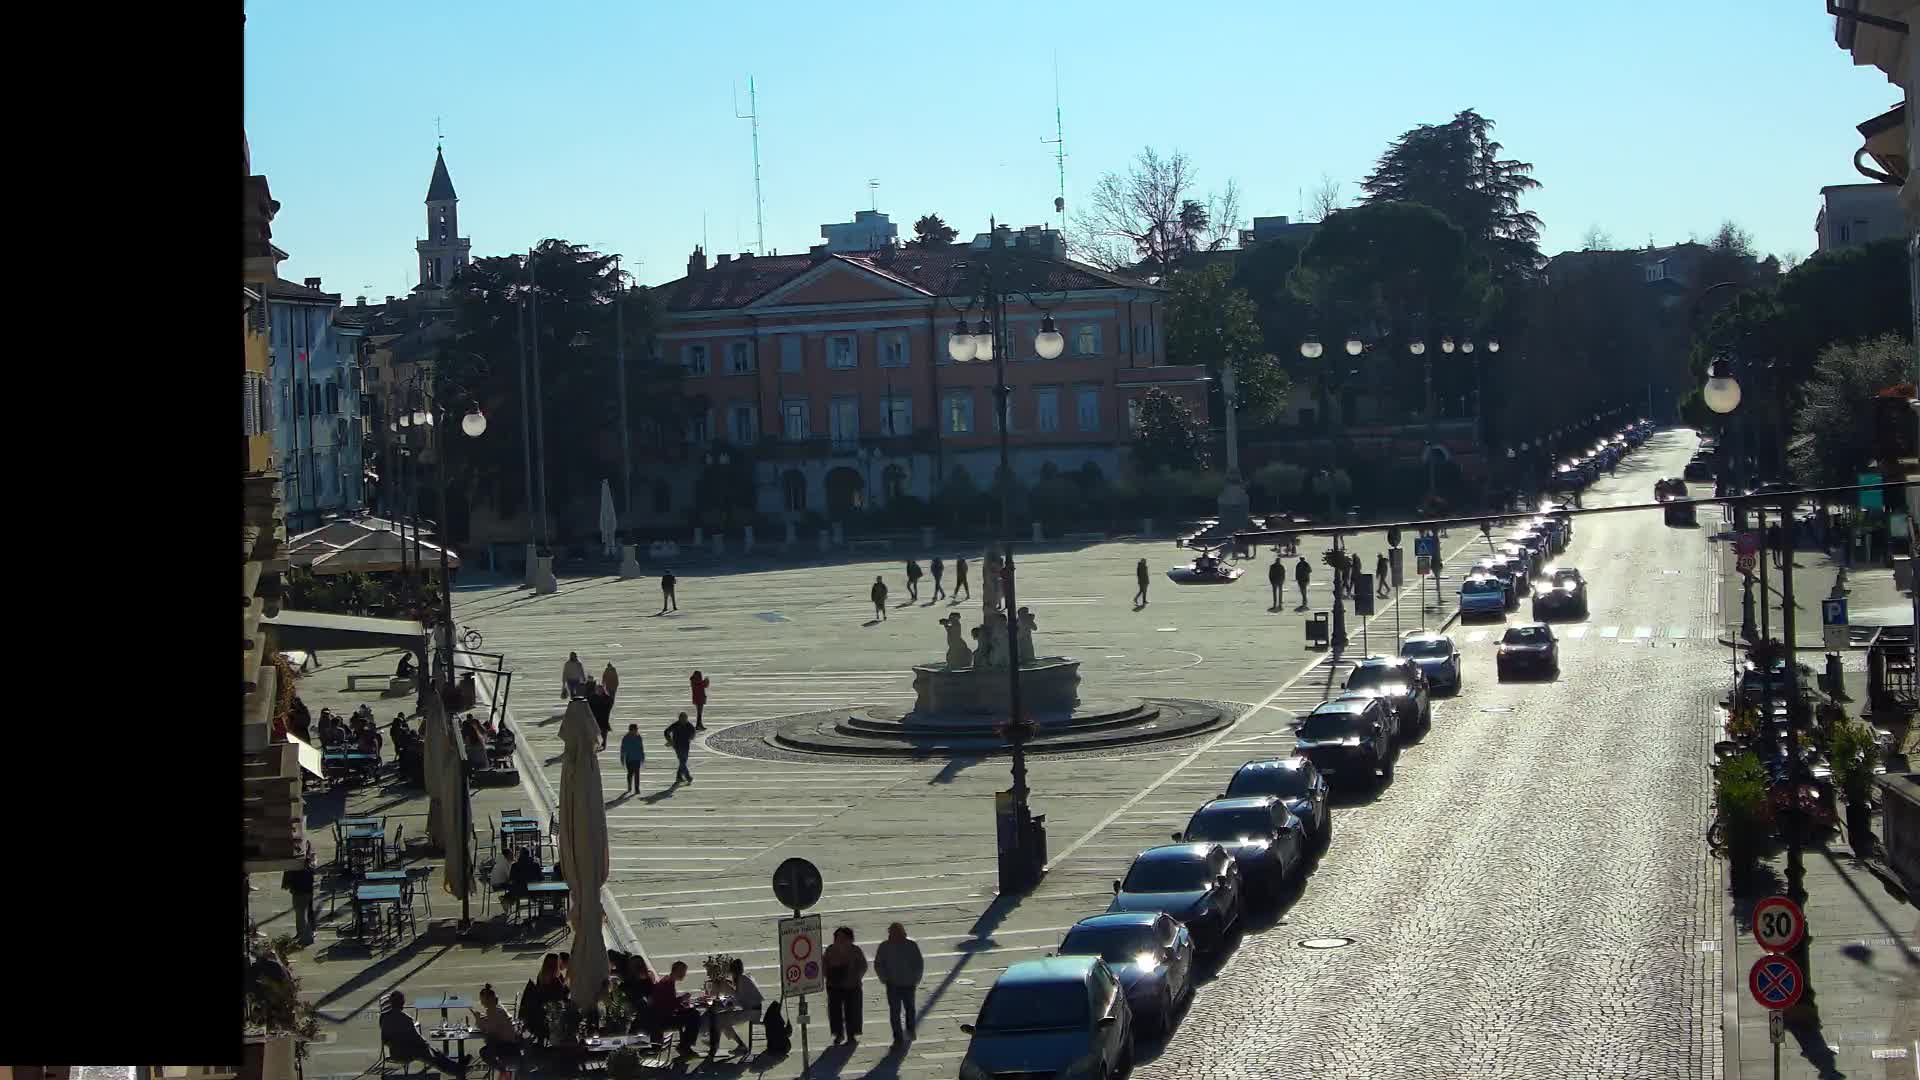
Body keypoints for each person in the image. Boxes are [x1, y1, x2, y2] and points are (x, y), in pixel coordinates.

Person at [380, 991, 469, 1076]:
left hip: (395, 1052)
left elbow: (385, 1039)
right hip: (408, 1053)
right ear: (402, 1003)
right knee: (432, 1056)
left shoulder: (383, 1018)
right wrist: (426, 1045)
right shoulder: (406, 1019)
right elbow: (417, 1038)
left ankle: (456, 1066)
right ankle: (456, 1070)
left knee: (434, 1052)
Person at [874, 922, 924, 1046]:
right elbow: (878, 964)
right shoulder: (884, 947)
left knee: (910, 1009)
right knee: (895, 1012)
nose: (895, 935)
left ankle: (910, 1030)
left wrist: (915, 978)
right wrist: (884, 978)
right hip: (893, 984)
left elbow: (918, 963)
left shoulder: (911, 945)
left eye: (897, 932)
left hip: (908, 983)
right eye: (892, 932)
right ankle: (897, 1036)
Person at [703, 956, 762, 1056]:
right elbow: (739, 998)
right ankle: (719, 1043)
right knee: (722, 1019)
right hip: (752, 1010)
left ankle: (716, 1043)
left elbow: (738, 999)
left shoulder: (742, 980)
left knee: (721, 1019)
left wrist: (726, 1000)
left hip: (752, 1012)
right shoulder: (744, 977)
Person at [823, 925, 867, 1045]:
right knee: (835, 1012)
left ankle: (851, 1035)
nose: (840, 940)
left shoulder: (855, 950)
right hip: (834, 986)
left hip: (852, 986)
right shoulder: (830, 950)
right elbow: (824, 965)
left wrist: (856, 977)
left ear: (849, 938)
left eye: (843, 937)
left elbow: (863, 966)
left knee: (852, 1011)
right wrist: (828, 976)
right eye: (837, 937)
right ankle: (838, 1034)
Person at [649, 961, 703, 1054]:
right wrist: (682, 999)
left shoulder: (667, 980)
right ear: (677, 971)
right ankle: (685, 1046)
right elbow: (670, 1005)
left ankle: (684, 1045)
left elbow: (669, 1002)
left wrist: (683, 1005)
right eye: (683, 972)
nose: (684, 975)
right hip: (663, 1020)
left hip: (662, 1016)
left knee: (691, 1012)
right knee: (694, 1016)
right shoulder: (667, 983)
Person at [471, 983, 522, 1068]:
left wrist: (478, 1019)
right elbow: (492, 1023)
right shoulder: (498, 1008)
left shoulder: (493, 1011)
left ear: (487, 1000)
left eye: (482, 1000)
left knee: (484, 1052)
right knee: (488, 1047)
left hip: (507, 1046)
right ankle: (502, 1069)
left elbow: (487, 1030)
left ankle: (502, 1070)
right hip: (512, 1044)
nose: (481, 1003)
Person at [282, 845, 317, 947]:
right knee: (301, 913)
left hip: (301, 889)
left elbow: (289, 870)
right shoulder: (307, 849)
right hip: (304, 888)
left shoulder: (299, 858)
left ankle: (306, 938)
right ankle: (302, 934)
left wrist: (287, 883)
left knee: (301, 914)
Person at [665, 712, 697, 784]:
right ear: (679, 719)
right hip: (677, 746)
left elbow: (693, 732)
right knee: (682, 761)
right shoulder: (675, 725)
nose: (683, 720)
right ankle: (688, 777)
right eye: (682, 719)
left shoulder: (689, 725)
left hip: (686, 745)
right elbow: (666, 732)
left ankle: (679, 777)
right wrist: (670, 740)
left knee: (683, 761)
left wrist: (692, 737)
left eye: (685, 719)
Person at [620, 723, 646, 796]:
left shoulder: (639, 737)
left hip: (637, 758)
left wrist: (642, 756)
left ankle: (637, 788)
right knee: (630, 774)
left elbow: (641, 747)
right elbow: (623, 749)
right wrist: (622, 758)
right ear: (631, 730)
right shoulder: (626, 738)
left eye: (637, 729)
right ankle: (629, 786)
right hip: (629, 759)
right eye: (636, 729)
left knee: (637, 774)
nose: (637, 730)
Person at [586, 678, 613, 751]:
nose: (599, 691)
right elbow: (588, 705)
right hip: (595, 718)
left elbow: (609, 704)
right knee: (594, 733)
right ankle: (595, 744)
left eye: (600, 689)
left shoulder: (607, 698)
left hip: (603, 718)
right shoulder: (592, 697)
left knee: (604, 733)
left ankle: (603, 744)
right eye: (598, 689)